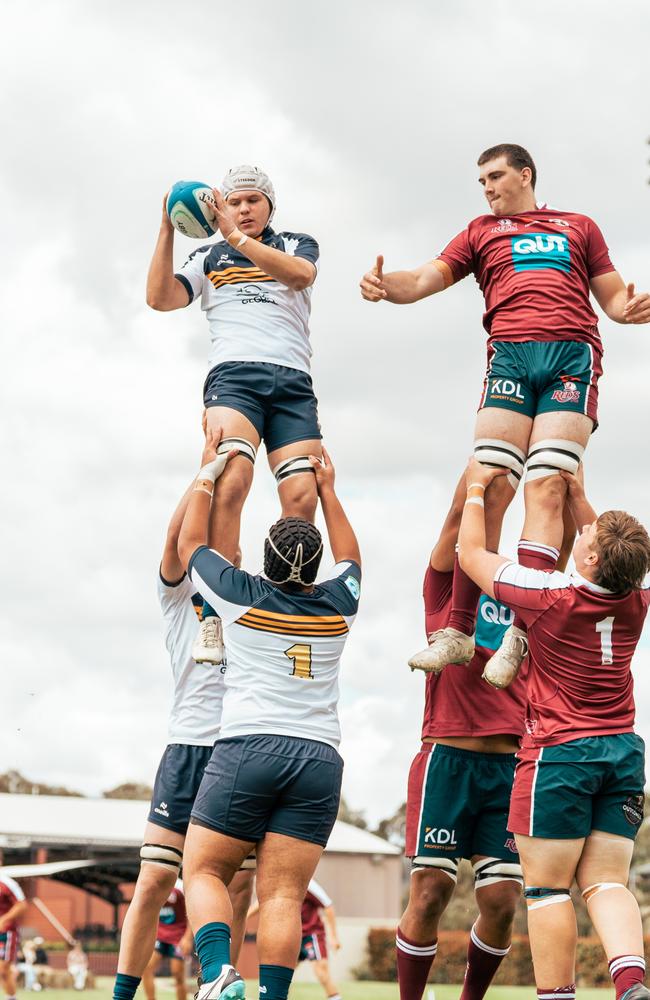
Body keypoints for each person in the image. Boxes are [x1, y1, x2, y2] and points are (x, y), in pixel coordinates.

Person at [360, 142, 650, 682]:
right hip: (510, 359)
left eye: (495, 176)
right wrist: (386, 286)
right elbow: (424, 278)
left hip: (571, 359)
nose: (488, 187)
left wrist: (630, 311)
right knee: (489, 481)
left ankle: (520, 636)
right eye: (482, 181)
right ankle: (457, 630)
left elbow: (611, 299)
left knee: (548, 486)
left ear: (525, 174)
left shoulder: (578, 226)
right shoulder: (478, 232)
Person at [177, 430, 361, 1000]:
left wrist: (207, 474)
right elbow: (352, 557)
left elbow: (190, 544)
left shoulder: (238, 593)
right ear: (314, 568)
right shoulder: (339, 602)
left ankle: (216, 975)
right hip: (320, 759)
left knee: (203, 871)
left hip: (249, 748)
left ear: (266, 558)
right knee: (282, 896)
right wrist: (328, 492)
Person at [457, 458, 650, 1000]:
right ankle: (630, 980)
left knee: (546, 891)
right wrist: (580, 498)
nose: (582, 526)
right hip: (622, 752)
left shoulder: (551, 599)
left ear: (589, 556)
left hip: (560, 756)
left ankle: (556, 997)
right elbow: (615, 557)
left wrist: (475, 490)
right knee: (607, 881)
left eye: (586, 532)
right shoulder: (637, 601)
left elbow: (471, 556)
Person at [400, 474, 573, 1000]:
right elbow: (455, 524)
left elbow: (557, 557)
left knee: (501, 904)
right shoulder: (446, 590)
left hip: (509, 766)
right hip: (447, 759)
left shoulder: (522, 592)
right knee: (431, 892)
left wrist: (556, 489)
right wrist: (478, 476)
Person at [147, 164, 323, 665]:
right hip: (235, 377)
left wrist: (234, 236)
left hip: (292, 381)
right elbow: (160, 299)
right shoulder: (206, 255)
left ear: (270, 205)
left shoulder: (294, 243)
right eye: (235, 201)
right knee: (231, 479)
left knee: (302, 495)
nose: (243, 210)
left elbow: (300, 276)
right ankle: (215, 615)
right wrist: (166, 229)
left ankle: (286, 603)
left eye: (252, 201)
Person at [111, 460, 254, 1000]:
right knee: (153, 880)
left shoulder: (248, 599)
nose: (227, 556)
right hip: (188, 748)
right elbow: (175, 538)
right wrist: (204, 475)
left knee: (239, 886)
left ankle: (216, 984)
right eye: (214, 549)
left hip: (240, 752)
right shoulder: (179, 598)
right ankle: (124, 993)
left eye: (232, 552)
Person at [249, 879, 343, 1000]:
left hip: (312, 933)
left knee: (321, 971)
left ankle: (335, 998)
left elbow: (328, 906)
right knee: (281, 971)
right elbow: (262, 902)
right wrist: (244, 917)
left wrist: (334, 937)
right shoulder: (278, 881)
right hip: (292, 934)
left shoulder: (309, 884)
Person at [142, 881, 192, 1000]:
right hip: (159, 935)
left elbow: (192, 913)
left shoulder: (181, 887)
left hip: (178, 937)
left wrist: (187, 938)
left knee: (177, 974)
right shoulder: (152, 883)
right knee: (146, 968)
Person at [0, 874, 27, 1000]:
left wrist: (4, 919)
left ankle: (11, 998)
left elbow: (22, 905)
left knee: (3, 969)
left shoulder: (7, 883)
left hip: (6, 933)